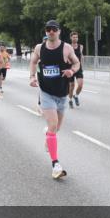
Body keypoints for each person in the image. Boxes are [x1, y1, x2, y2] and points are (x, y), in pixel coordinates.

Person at [29, 20, 80, 179]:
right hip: (46, 92)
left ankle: (49, 136)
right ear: (45, 31)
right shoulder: (39, 48)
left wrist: (72, 71)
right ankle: (55, 165)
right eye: (48, 29)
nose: (51, 32)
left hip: (62, 93)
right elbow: (33, 61)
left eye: (54, 29)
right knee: (52, 125)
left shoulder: (66, 48)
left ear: (59, 31)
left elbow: (77, 63)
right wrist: (31, 76)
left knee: (56, 127)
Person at [67, 31, 85, 107]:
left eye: (76, 37)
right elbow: (66, 57)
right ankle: (70, 100)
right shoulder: (68, 46)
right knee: (71, 86)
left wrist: (82, 66)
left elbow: (82, 56)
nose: (75, 38)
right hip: (71, 68)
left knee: (80, 85)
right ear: (71, 38)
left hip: (79, 68)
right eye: (74, 37)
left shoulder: (81, 46)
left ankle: (76, 96)